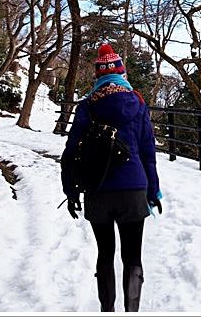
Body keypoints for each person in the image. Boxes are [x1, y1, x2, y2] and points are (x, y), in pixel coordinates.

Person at [61, 43, 162, 312]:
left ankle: (107, 310)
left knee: (105, 254)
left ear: (98, 76)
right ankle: (132, 311)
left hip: (98, 189)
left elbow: (71, 152)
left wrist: (70, 191)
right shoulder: (138, 104)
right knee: (132, 256)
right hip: (133, 189)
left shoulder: (87, 106)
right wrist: (154, 191)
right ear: (122, 75)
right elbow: (148, 152)